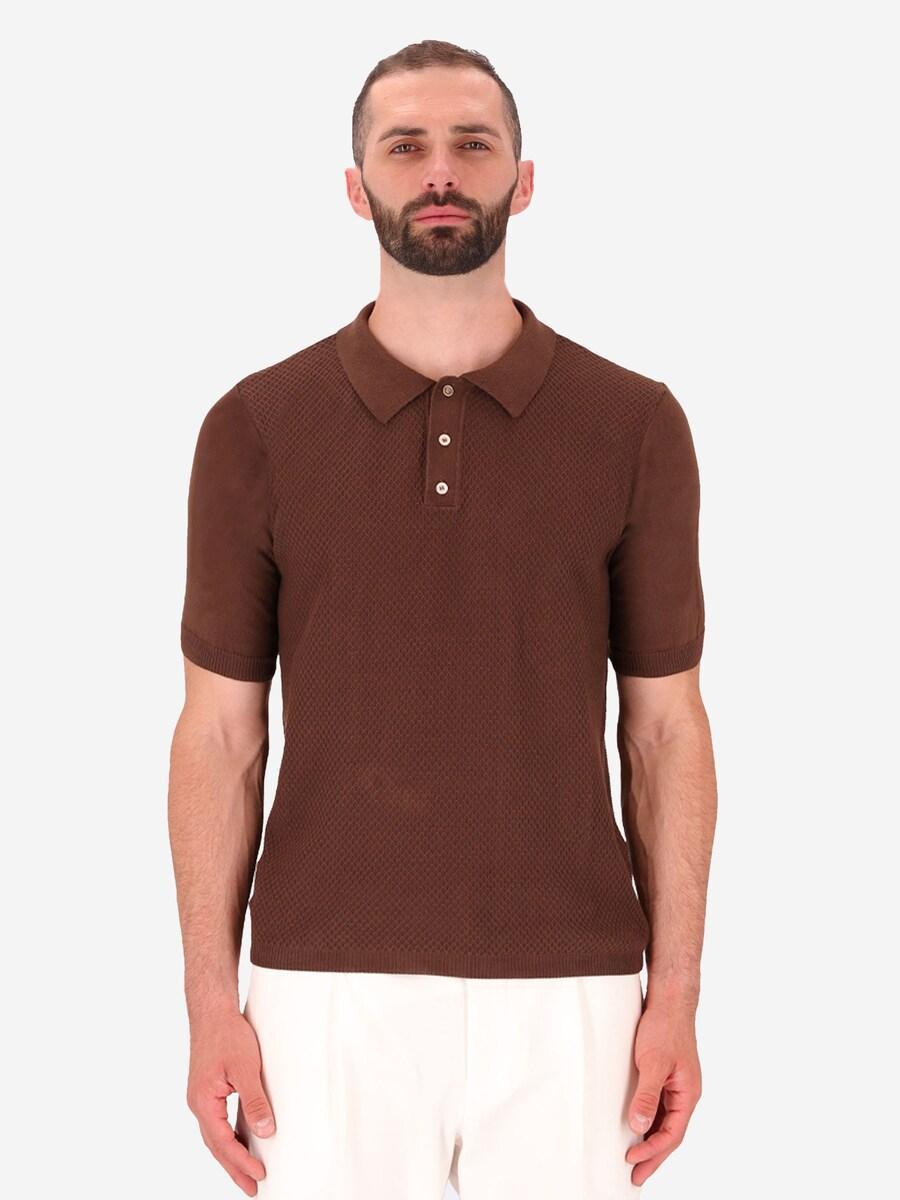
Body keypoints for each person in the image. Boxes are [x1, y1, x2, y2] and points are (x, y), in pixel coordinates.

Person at [168, 38, 717, 1200]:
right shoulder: (256, 428)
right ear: (354, 186)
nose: (440, 172)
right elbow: (219, 733)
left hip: (574, 992)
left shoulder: (634, 425)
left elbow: (666, 728)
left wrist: (675, 994)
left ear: (525, 178)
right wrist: (212, 1003)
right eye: (405, 146)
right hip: (321, 992)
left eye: (474, 144)